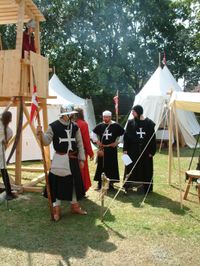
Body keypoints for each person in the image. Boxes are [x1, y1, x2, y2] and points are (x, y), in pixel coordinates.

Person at [37, 104, 87, 221]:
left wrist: (82, 159)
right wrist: (40, 134)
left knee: (74, 184)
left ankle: (74, 206)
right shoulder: (53, 126)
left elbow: (79, 144)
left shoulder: (75, 127)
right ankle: (56, 209)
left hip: (73, 160)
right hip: (60, 160)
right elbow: (46, 142)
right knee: (56, 185)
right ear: (66, 114)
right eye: (71, 114)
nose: (73, 116)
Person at [123, 105, 156, 194]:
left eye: (134, 111)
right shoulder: (130, 123)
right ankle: (129, 186)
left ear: (138, 111)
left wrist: (152, 152)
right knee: (131, 167)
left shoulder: (149, 123)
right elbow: (126, 137)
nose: (132, 113)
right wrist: (125, 149)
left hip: (145, 150)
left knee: (145, 168)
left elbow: (153, 138)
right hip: (132, 150)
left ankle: (145, 187)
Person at [91, 110, 124, 190]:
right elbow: (93, 133)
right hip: (102, 149)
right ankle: (100, 183)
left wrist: (117, 142)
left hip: (111, 149)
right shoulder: (100, 125)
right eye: (104, 117)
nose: (105, 118)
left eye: (107, 117)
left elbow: (123, 133)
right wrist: (97, 141)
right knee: (101, 166)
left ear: (110, 117)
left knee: (112, 165)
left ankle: (111, 183)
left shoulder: (115, 125)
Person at [74, 108, 94, 193]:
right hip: (81, 151)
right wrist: (91, 153)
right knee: (82, 171)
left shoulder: (70, 123)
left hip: (70, 151)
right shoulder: (83, 124)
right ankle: (81, 190)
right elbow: (86, 140)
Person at [0, 111, 17, 200]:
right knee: (3, 171)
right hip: (0, 151)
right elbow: (6, 142)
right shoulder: (9, 131)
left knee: (3, 171)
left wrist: (11, 102)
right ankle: (8, 193)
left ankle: (9, 193)